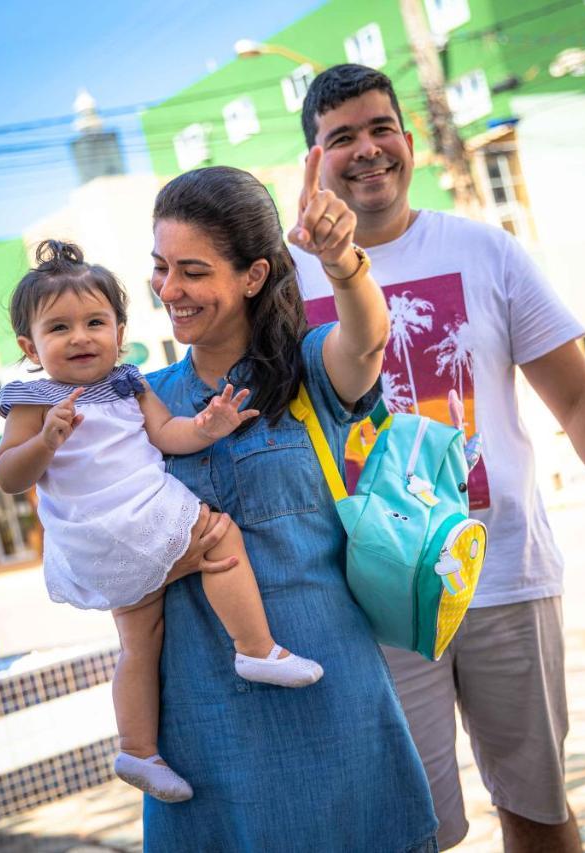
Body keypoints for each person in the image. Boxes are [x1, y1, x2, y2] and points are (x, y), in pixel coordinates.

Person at [290, 64, 585, 852]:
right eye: (342, 138)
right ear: (313, 161)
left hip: (503, 570)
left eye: (381, 129)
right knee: (411, 828)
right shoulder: (287, 279)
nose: (367, 150)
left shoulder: (485, 251)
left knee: (536, 810)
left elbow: (578, 398)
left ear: (409, 142)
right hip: (370, 598)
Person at [143, 162, 439, 850]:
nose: (169, 289)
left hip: (328, 696)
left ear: (252, 276)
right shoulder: (146, 404)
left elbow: (365, 339)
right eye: (160, 268)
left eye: (191, 270)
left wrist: (341, 261)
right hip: (200, 712)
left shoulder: (306, 370)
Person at [0, 240, 325, 803]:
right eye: (59, 329)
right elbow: (7, 476)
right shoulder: (34, 399)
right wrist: (45, 441)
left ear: (120, 332)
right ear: (30, 345)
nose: (80, 337)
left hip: (115, 543)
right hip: (121, 522)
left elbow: (169, 434)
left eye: (96, 322)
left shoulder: (129, 383)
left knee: (140, 643)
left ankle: (137, 750)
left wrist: (208, 426)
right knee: (221, 538)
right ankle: (255, 647)